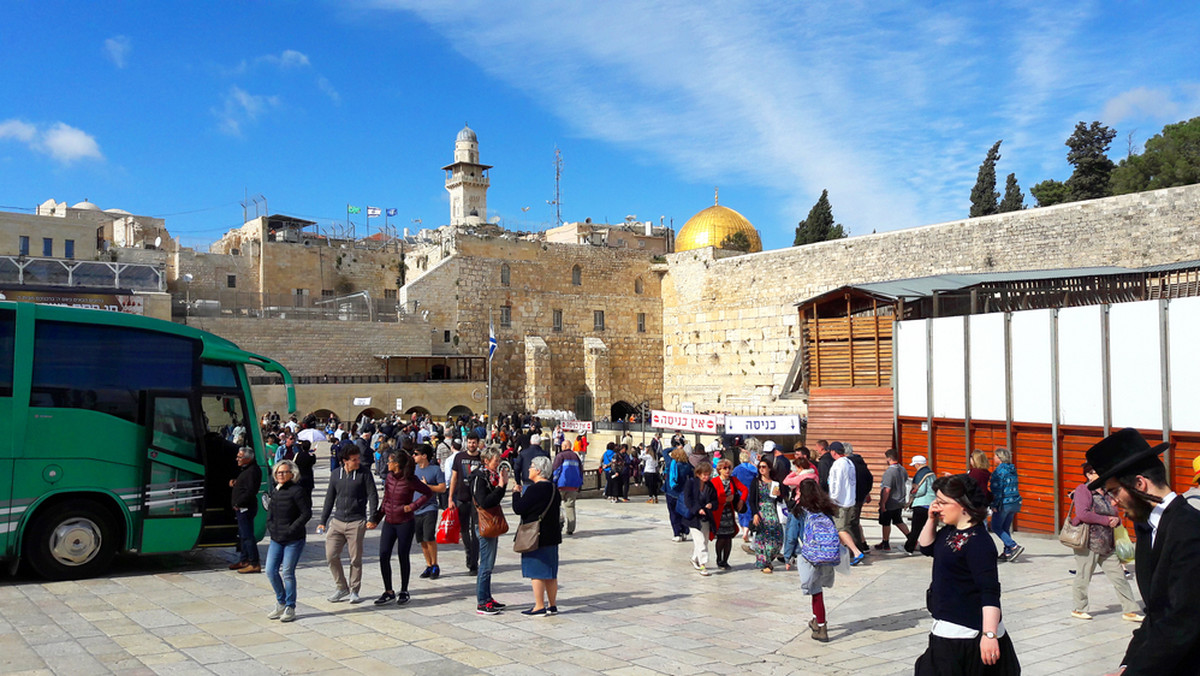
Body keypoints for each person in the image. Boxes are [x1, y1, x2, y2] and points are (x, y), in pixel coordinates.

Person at [1086, 428, 1200, 675]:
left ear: (1140, 483)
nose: (1114, 502)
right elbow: (1155, 614)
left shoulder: (1190, 530)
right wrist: (1127, 665)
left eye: (1115, 491)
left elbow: (1182, 620)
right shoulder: (1148, 528)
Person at [915, 474, 1020, 675]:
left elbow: (989, 591)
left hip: (966, 633)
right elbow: (926, 547)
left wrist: (989, 635)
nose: (937, 507)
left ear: (963, 505)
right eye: (936, 501)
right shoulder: (950, 530)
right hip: (946, 624)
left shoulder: (979, 542)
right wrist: (930, 519)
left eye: (943, 502)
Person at [1068, 462, 1142, 622]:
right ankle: (1078, 608)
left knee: (1119, 577)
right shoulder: (1084, 490)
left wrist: (1116, 519)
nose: (1102, 475)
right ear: (1089, 474)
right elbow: (1082, 514)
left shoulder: (1106, 492)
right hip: (1088, 542)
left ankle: (1130, 610)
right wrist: (1107, 520)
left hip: (1107, 544)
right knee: (1083, 576)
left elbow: (1114, 511)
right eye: (1098, 472)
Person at [316, 445, 379, 604]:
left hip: (356, 522)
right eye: (354, 460)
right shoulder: (336, 474)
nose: (358, 462)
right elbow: (329, 498)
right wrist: (322, 521)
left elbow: (373, 495)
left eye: (358, 458)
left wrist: (372, 518)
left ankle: (354, 590)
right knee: (331, 555)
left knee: (355, 559)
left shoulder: (364, 473)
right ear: (345, 461)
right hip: (337, 521)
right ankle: (341, 587)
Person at [370, 451, 434, 605]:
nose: (387, 463)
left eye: (390, 461)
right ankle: (388, 591)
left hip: (405, 522)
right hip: (389, 521)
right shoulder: (389, 478)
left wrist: (412, 506)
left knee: (402, 555)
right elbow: (385, 500)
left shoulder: (410, 479)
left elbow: (428, 492)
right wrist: (376, 519)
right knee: (383, 554)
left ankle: (404, 590)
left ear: (397, 464)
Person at [792, 479, 843, 643]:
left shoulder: (800, 511)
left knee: (815, 591)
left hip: (809, 556)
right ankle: (816, 620)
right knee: (817, 589)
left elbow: (792, 533)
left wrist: (787, 555)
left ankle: (821, 627)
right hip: (827, 555)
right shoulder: (826, 509)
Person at [511, 455, 563, 615]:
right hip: (552, 536)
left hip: (536, 536)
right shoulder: (554, 488)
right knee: (550, 573)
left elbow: (519, 508)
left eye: (532, 466)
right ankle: (552, 605)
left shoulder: (535, 489)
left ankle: (539, 605)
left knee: (537, 572)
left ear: (539, 470)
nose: (529, 469)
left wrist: (515, 493)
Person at [265, 459, 311, 623]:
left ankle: (290, 606)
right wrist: (270, 526)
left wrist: (291, 529)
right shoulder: (276, 491)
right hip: (276, 538)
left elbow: (306, 514)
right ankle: (281, 601)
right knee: (270, 570)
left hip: (293, 539)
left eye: (284, 472)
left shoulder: (297, 491)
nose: (281, 475)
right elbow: (270, 511)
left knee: (287, 573)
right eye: (278, 472)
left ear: (292, 474)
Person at [472, 446, 509, 615]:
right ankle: (482, 601)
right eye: (496, 461)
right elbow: (485, 502)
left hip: (490, 523)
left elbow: (495, 499)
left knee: (489, 563)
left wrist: (501, 485)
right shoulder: (479, 478)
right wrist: (501, 487)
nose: (498, 463)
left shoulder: (489, 476)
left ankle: (487, 597)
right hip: (483, 524)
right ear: (486, 461)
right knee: (485, 565)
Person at [448, 432, 484, 574]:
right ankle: (469, 554)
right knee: (464, 531)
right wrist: (450, 498)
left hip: (476, 500)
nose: (471, 445)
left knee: (475, 531)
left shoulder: (482, 458)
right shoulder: (459, 457)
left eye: (474, 442)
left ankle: (474, 562)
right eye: (469, 442)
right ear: (466, 443)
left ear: (478, 443)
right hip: (462, 498)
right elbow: (454, 478)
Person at [412, 444, 447, 580]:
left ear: (424, 456)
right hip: (415, 509)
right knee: (421, 539)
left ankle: (435, 565)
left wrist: (428, 487)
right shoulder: (413, 470)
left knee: (429, 537)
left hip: (429, 508)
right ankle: (428, 564)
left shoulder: (435, 470)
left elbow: (442, 488)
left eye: (416, 454)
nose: (414, 456)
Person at [827, 442, 865, 565]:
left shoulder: (838, 464)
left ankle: (856, 552)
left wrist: (832, 499)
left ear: (833, 452)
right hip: (850, 500)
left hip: (840, 502)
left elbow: (836, 484)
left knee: (840, 529)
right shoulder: (850, 463)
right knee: (846, 527)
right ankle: (837, 553)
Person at [744, 457, 784, 573]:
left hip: (773, 511)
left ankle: (769, 559)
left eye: (764, 467)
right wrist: (755, 513)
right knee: (762, 538)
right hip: (761, 511)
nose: (761, 469)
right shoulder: (756, 482)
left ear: (769, 468)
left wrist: (780, 494)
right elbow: (752, 500)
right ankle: (764, 563)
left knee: (777, 538)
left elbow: (781, 499)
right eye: (760, 467)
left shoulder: (775, 482)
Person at [229, 446, 263, 573]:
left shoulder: (253, 471)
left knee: (248, 536)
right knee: (243, 535)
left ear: (248, 459)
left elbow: (250, 491)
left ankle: (254, 562)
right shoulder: (247, 470)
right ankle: (244, 560)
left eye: (240, 457)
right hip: (241, 507)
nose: (237, 459)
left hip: (245, 507)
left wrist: (239, 502)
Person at [710, 459, 747, 569]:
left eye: (729, 468)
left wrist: (741, 501)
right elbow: (713, 497)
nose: (727, 470)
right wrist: (725, 499)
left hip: (729, 513)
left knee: (729, 537)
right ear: (719, 470)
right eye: (724, 468)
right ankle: (719, 558)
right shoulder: (715, 481)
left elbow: (745, 489)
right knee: (721, 537)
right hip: (719, 513)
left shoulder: (733, 480)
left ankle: (725, 560)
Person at [988, 447, 1024, 562]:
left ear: (999, 457)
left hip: (1004, 503)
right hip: (1014, 502)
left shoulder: (998, 472)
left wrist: (994, 504)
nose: (993, 458)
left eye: (995, 456)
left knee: (995, 526)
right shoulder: (1012, 469)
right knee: (1005, 527)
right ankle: (1007, 552)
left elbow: (997, 490)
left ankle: (1013, 546)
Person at [682, 462, 717, 576]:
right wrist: (697, 509)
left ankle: (694, 558)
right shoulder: (691, 483)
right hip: (694, 518)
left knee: (704, 541)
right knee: (700, 541)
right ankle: (703, 564)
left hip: (706, 518)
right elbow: (688, 500)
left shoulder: (710, 486)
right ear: (698, 474)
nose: (706, 477)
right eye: (704, 475)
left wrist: (711, 505)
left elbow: (715, 500)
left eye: (708, 474)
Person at [874, 449, 911, 551]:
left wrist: (883, 504)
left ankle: (885, 543)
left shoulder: (889, 472)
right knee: (898, 520)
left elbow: (887, 489)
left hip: (890, 502)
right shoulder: (903, 469)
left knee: (886, 522)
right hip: (900, 500)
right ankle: (911, 538)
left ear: (889, 458)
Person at [844, 444, 872, 553]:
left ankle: (856, 548)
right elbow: (869, 479)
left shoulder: (848, 464)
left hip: (850, 498)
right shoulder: (861, 463)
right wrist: (865, 493)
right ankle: (860, 545)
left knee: (850, 523)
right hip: (859, 497)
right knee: (854, 522)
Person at [904, 455, 935, 555]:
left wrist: (912, 494)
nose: (915, 467)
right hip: (931, 505)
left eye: (915, 465)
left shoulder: (920, 474)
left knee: (916, 529)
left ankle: (909, 548)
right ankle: (931, 547)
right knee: (930, 529)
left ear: (918, 464)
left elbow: (920, 490)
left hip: (921, 505)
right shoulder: (932, 474)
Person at [552, 439, 584, 534]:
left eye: (562, 446)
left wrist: (553, 482)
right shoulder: (576, 456)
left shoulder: (560, 456)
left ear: (565, 446)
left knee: (555, 506)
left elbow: (556, 470)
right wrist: (579, 484)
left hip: (561, 485)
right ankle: (570, 529)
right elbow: (580, 471)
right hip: (573, 486)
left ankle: (557, 526)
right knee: (570, 507)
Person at [664, 446, 694, 542]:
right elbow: (692, 477)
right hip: (682, 492)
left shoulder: (670, 463)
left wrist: (675, 447)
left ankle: (677, 533)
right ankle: (684, 531)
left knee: (673, 513)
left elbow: (664, 451)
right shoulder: (687, 466)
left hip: (671, 492)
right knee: (682, 512)